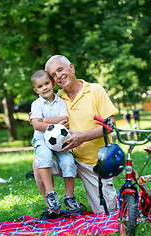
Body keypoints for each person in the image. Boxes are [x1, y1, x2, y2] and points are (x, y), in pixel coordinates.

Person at [33, 55, 117, 219]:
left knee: (107, 212)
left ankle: (78, 204)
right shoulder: (57, 98)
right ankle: (52, 207)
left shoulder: (95, 90)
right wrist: (34, 118)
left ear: (71, 67)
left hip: (94, 163)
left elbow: (110, 126)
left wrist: (83, 137)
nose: (58, 76)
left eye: (60, 69)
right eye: (54, 75)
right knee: (39, 163)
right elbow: (39, 111)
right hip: (67, 156)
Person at [30, 70, 80, 219]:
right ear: (35, 90)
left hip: (60, 139)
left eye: (46, 84)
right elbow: (36, 126)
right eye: (40, 86)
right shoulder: (36, 104)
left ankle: (69, 197)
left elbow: (64, 119)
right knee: (44, 156)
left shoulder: (60, 102)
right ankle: (51, 194)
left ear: (52, 83)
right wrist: (53, 122)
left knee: (68, 161)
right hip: (41, 139)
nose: (44, 88)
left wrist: (42, 120)